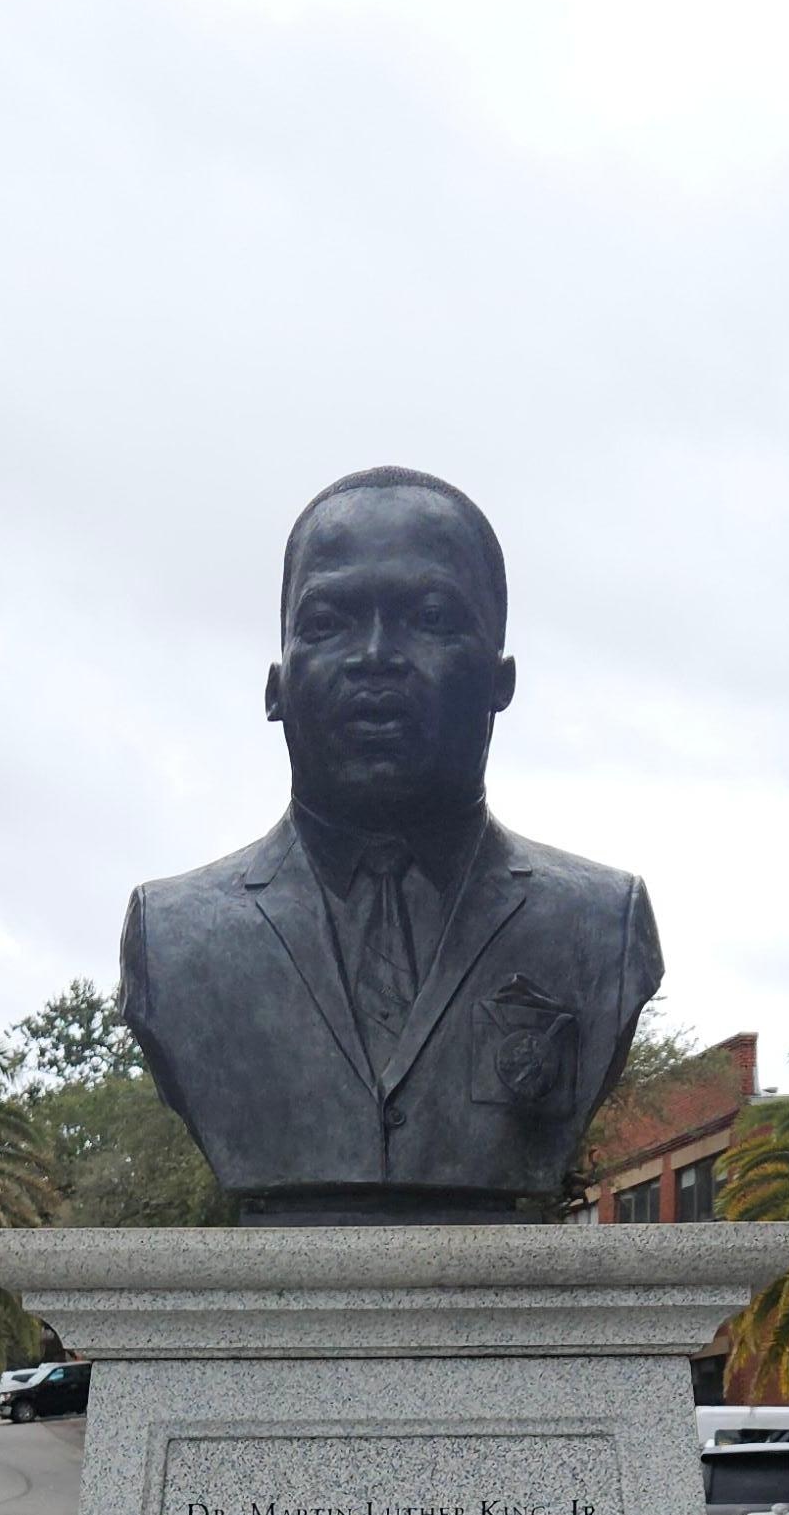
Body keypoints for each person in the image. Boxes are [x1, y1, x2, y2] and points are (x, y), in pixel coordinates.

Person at [117, 468, 663, 1220]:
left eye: (432, 617)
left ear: (501, 679)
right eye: (329, 621)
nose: (376, 655)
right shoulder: (172, 938)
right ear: (276, 684)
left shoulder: (604, 925)